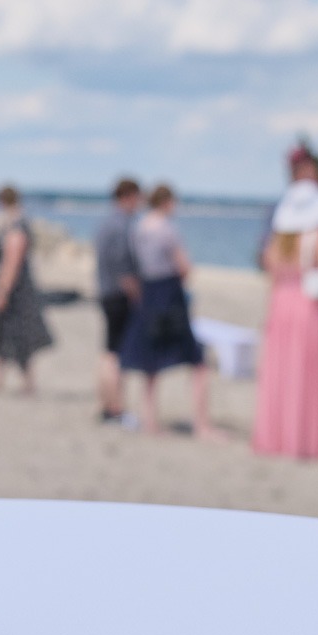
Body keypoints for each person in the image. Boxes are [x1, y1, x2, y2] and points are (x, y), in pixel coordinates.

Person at [252, 174, 318, 459]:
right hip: (307, 308)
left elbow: (272, 278)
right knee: (309, 375)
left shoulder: (278, 241)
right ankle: (306, 440)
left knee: (281, 374)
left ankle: (277, 437)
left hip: (281, 307)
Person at [120, 184, 217, 439]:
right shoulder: (166, 229)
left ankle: (149, 420)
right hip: (169, 294)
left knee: (150, 363)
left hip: (148, 294)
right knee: (197, 362)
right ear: (166, 202)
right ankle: (201, 423)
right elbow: (184, 267)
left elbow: (134, 263)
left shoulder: (139, 228)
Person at [0, 185, 53, 394]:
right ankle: (2, 380)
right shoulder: (13, 223)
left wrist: (2, 290)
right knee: (5, 334)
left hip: (15, 292)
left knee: (16, 335)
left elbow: (12, 261)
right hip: (16, 288)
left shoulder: (16, 225)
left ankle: (21, 382)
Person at [93, 178, 142, 423]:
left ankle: (107, 405)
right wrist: (137, 296)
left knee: (107, 353)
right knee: (116, 355)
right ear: (128, 196)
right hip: (118, 296)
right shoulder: (122, 225)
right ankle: (116, 408)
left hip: (105, 292)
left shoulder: (106, 223)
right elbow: (124, 268)